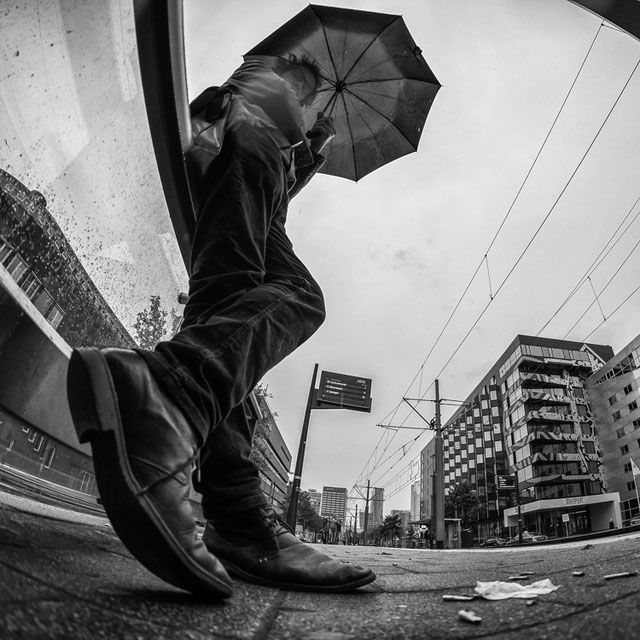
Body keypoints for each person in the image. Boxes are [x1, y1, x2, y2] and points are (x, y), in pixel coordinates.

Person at [66, 53, 375, 598]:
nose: (304, 98)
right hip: (240, 155)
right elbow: (256, 105)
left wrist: (308, 154)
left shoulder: (280, 132)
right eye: (305, 90)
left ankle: (237, 516)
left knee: (237, 315)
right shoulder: (261, 89)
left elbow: (279, 191)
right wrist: (309, 126)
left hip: (260, 188)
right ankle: (170, 396)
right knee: (266, 297)